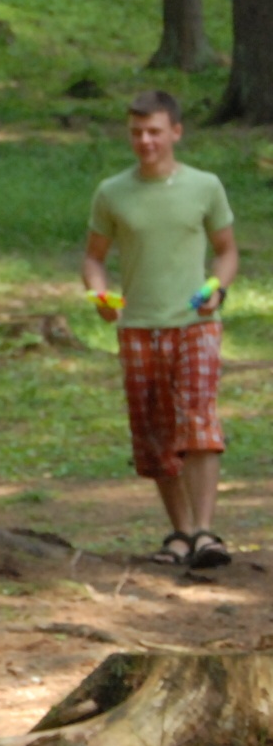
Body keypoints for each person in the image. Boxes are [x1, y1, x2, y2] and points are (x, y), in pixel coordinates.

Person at [82, 90, 238, 569]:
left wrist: (217, 288)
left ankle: (206, 532)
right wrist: (99, 296)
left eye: (154, 131)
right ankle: (181, 532)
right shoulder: (112, 192)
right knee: (155, 434)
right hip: (138, 328)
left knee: (198, 423)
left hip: (195, 324)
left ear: (175, 132)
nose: (145, 141)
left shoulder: (205, 186)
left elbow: (227, 251)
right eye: (136, 132)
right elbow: (93, 258)